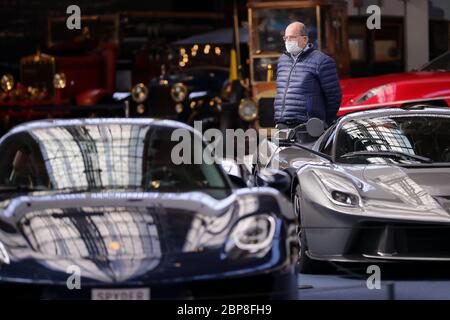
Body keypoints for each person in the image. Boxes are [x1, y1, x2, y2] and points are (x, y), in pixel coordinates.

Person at [274, 22, 342, 128]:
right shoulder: (283, 60)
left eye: (291, 37)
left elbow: (334, 96)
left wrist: (323, 121)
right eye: (285, 38)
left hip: (308, 127)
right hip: (283, 124)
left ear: (305, 39)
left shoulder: (321, 61)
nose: (288, 41)